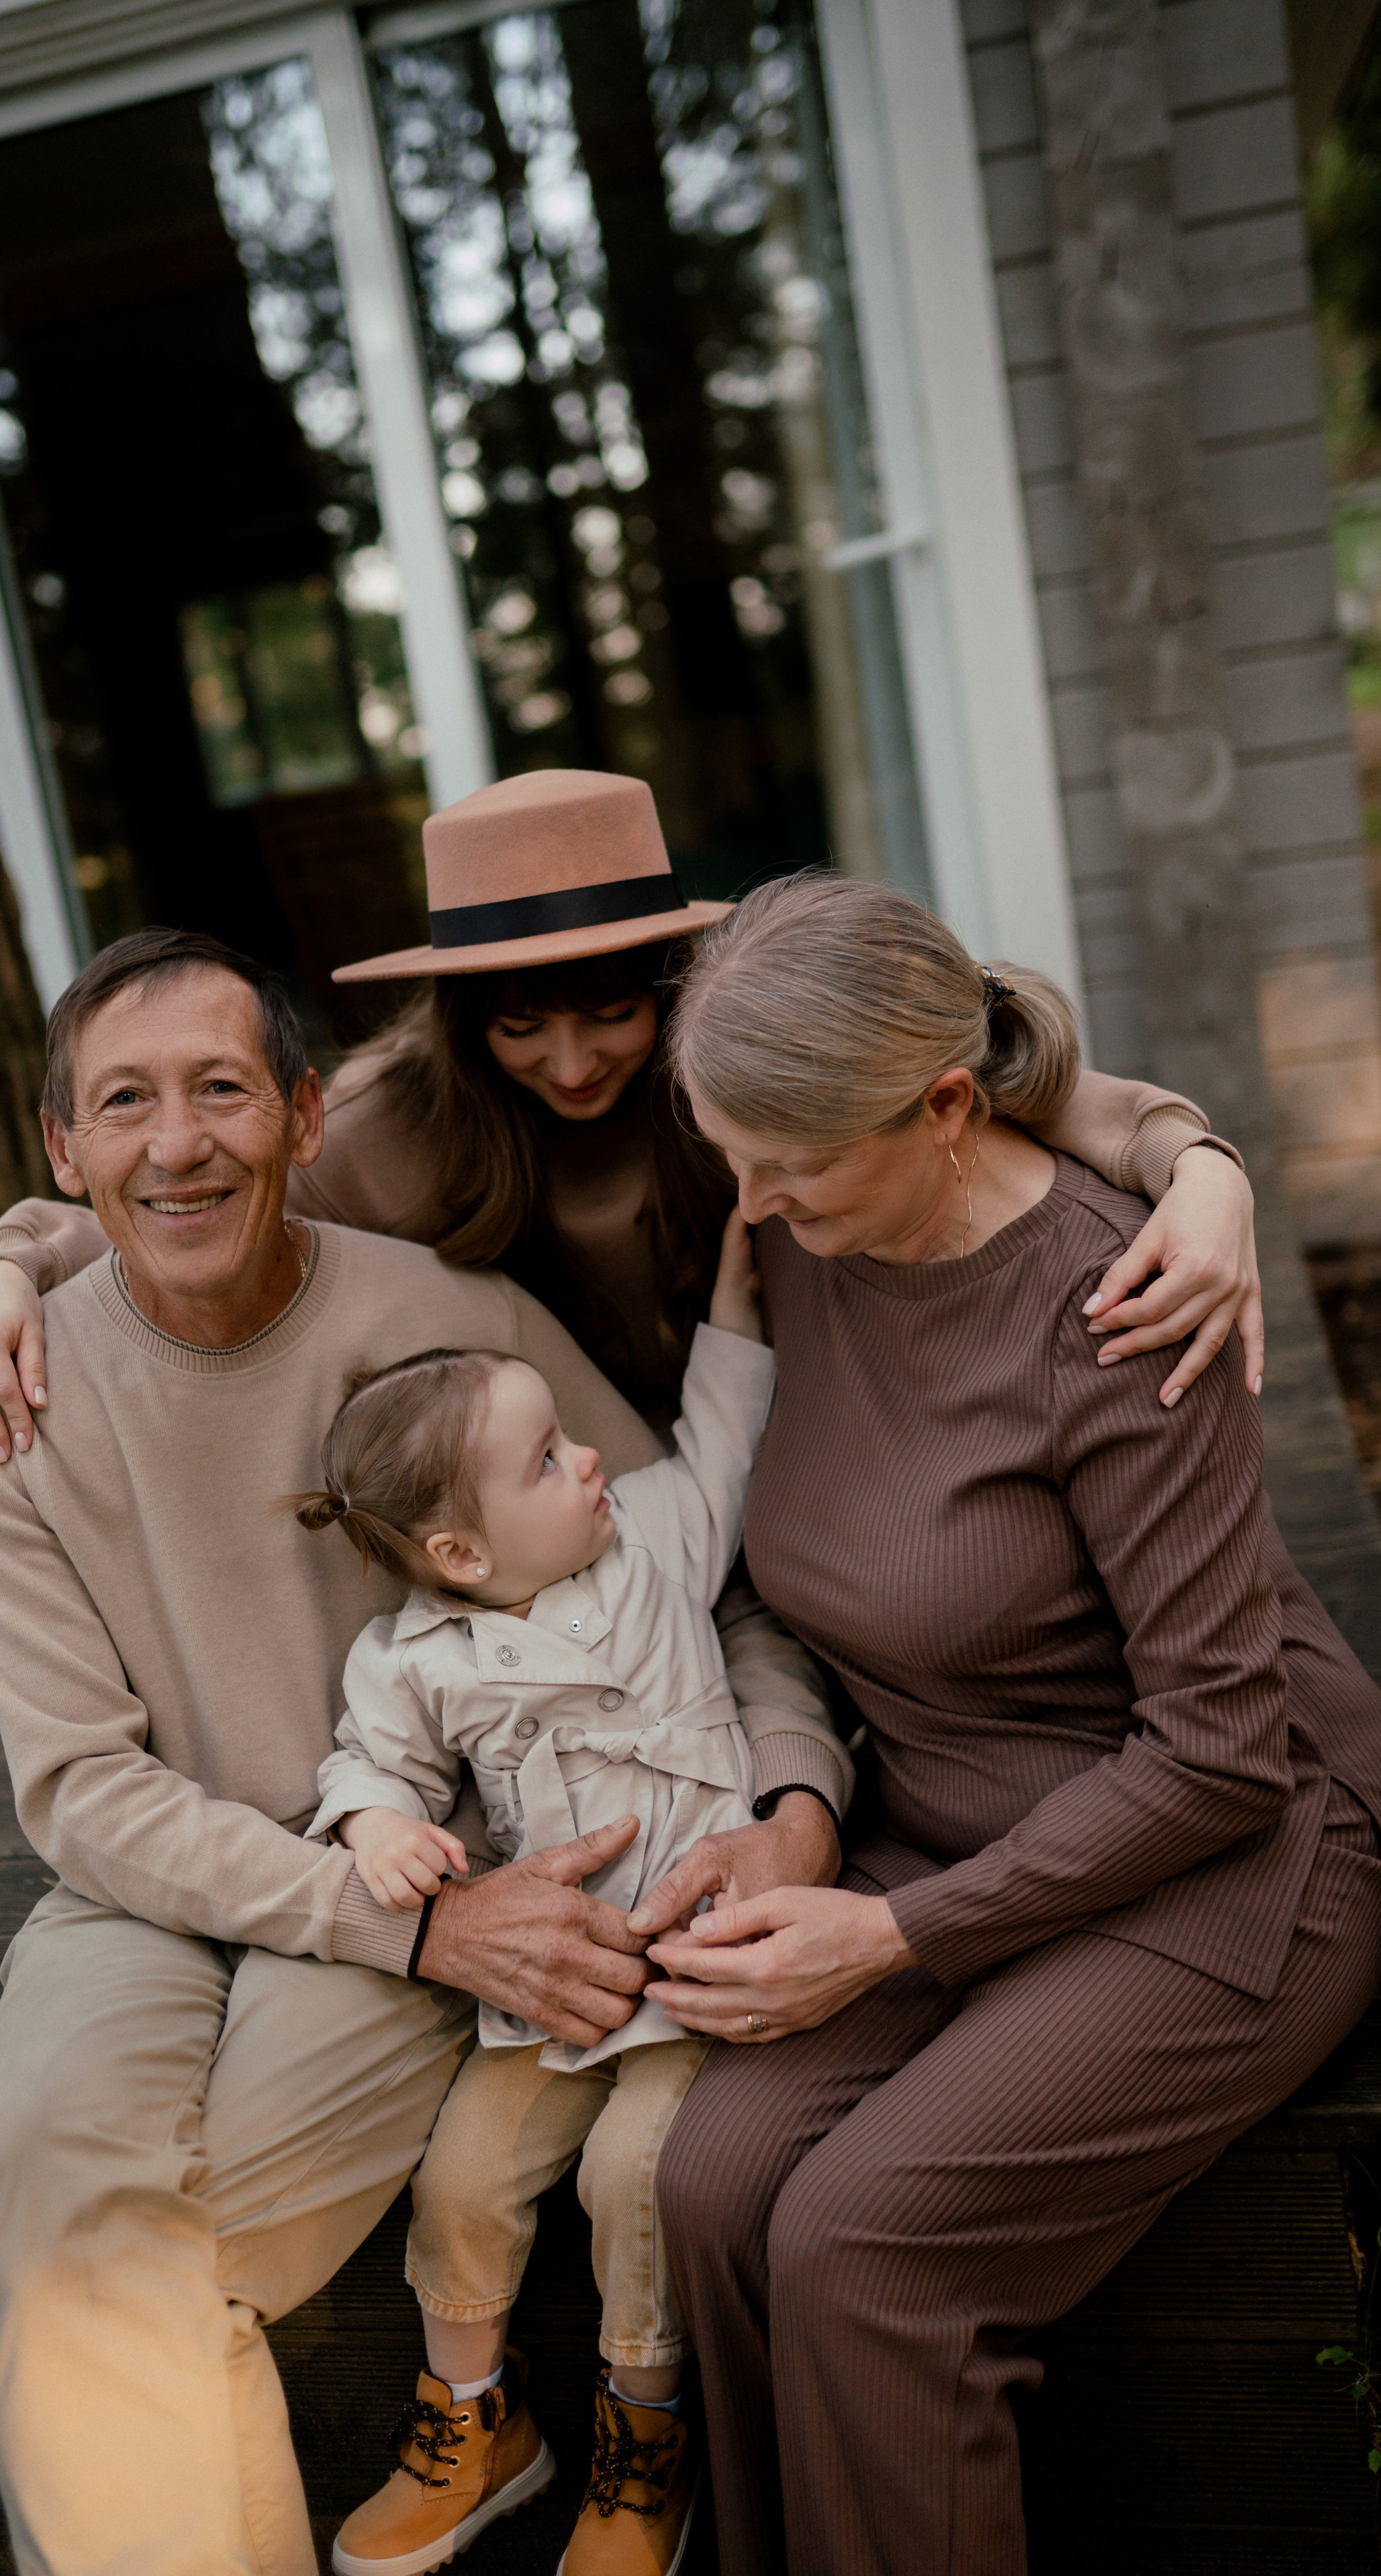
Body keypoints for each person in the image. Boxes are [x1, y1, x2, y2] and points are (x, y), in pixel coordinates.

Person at [0, 923, 841, 2576]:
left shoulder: (448, 1320)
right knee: (36, 2165)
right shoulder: (2, 1390)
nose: (176, 1141)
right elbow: (81, 1789)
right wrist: (397, 1918)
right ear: (62, 1148)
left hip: (432, 1874)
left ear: (301, 1115)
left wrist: (793, 1797)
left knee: (97, 2275)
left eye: (220, 1089)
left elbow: (690, 1587)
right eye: (123, 1102)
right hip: (159, 1890)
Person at [610, 876, 1381, 2576]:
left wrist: (888, 1935)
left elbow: (1217, 1748)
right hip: (939, 1828)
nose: (747, 1203)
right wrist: (42, 1249)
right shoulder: (805, 1234)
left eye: (789, 1166)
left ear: (945, 1108)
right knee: (710, 2186)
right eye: (734, 1156)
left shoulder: (1115, 1303)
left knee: (863, 2245)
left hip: (1231, 1859)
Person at [0, 770, 1264, 1477]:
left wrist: (1203, 1170)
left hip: (835, 1450)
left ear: (670, 982)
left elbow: (1019, 1073)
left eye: (612, 1014)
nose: (571, 1065)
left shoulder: (743, 1049)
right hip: (588, 1505)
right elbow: (182, 1196)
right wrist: (3, 1272)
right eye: (521, 1028)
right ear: (464, 1019)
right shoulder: (388, 1122)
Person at [299, 1204, 769, 2576]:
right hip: (547, 1981)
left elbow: (724, 1434)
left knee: (635, 2174)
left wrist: (737, 1297)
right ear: (458, 1551)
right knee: (459, 2177)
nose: (590, 1458)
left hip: (693, 1961)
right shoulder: (413, 1656)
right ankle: (472, 2414)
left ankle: (644, 2440)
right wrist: (375, 1825)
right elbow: (368, 1759)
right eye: (549, 1458)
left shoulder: (654, 1542)